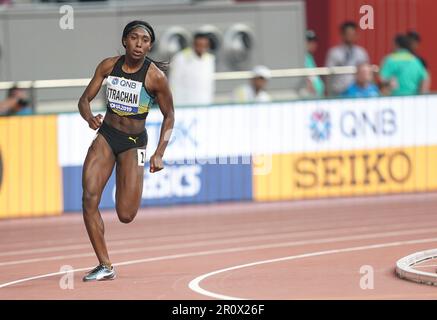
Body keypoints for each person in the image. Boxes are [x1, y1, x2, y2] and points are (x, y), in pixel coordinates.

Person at [78, 20, 175, 282]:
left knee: (126, 214)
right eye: (134, 38)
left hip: (134, 143)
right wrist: (90, 118)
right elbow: (84, 100)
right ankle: (105, 264)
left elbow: (169, 116)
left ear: (149, 46)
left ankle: (126, 183)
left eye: (144, 40)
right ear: (125, 41)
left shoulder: (155, 77)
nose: (139, 44)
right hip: (107, 136)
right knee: (89, 197)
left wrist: (159, 152)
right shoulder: (109, 66)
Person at [169, 32, 215, 106]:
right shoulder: (181, 57)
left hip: (205, 104)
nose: (202, 48)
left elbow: (209, 85)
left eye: (205, 45)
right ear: (194, 44)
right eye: (199, 45)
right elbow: (173, 83)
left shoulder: (210, 59)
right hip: (184, 105)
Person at [325, 21, 369, 96]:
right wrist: (328, 91)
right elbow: (328, 74)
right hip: (338, 92)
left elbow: (367, 73)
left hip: (357, 93)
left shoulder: (361, 53)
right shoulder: (334, 53)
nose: (351, 36)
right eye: (348, 34)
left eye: (353, 34)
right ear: (342, 35)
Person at [304, 30, 324, 97]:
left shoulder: (310, 57)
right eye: (309, 42)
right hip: (310, 98)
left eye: (314, 42)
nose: (313, 44)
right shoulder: (303, 57)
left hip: (317, 97)